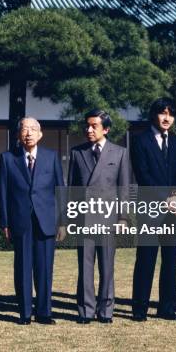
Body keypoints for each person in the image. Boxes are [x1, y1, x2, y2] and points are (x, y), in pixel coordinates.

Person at [0, 117, 64, 325]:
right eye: (24, 130)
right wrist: (5, 223)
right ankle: (25, 313)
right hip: (20, 220)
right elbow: (3, 193)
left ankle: (44, 312)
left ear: (40, 134)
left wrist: (62, 221)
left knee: (45, 268)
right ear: (18, 135)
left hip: (46, 220)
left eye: (33, 129)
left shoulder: (51, 157)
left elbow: (60, 190)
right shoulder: (8, 158)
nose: (28, 133)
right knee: (23, 267)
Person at [66, 110, 130, 324]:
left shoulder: (120, 153)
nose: (89, 129)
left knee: (107, 266)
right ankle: (85, 310)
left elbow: (124, 188)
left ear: (106, 129)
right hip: (83, 218)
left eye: (94, 125)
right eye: (87, 125)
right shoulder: (77, 153)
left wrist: (123, 218)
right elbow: (71, 189)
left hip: (109, 219)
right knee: (85, 267)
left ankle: (106, 311)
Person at [131, 98, 176, 322]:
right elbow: (142, 174)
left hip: (173, 210)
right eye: (163, 113)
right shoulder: (140, 141)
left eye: (171, 114)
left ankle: (167, 307)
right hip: (150, 208)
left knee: (170, 259)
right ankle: (139, 308)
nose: (167, 118)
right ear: (154, 114)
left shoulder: (175, 142)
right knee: (146, 257)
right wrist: (164, 198)